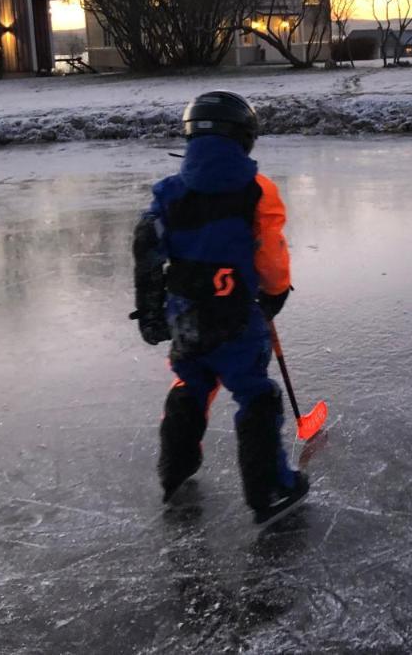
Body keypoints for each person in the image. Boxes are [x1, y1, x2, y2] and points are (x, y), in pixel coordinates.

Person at [130, 91, 309, 525]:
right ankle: (269, 489)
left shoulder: (169, 192)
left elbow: (146, 246)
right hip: (235, 320)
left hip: (186, 318)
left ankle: (175, 469)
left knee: (190, 384)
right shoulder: (256, 191)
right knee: (256, 394)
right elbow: (270, 251)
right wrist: (276, 290)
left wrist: (152, 310)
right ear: (245, 137)